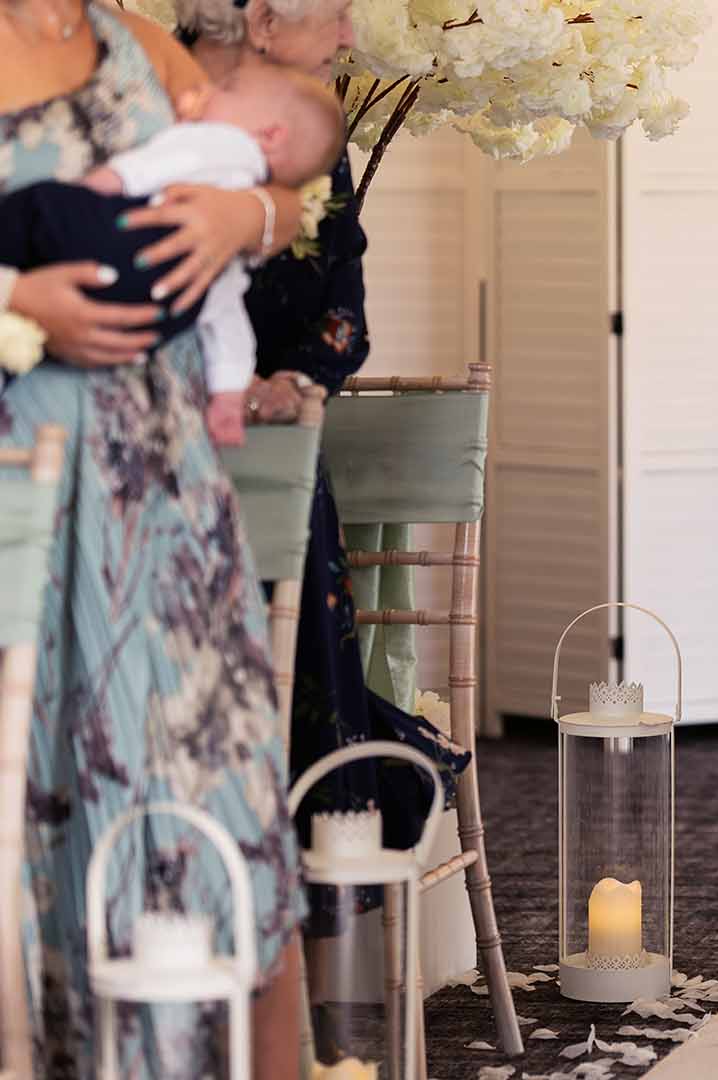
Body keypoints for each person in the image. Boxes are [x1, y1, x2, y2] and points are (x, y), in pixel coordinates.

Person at [0, 0, 310, 1075]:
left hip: (171, 497)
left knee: (224, 795)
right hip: (19, 497)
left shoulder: (138, 39)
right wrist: (17, 297)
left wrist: (247, 221)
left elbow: (276, 183)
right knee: (34, 804)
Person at [169, 0, 470, 947]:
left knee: (298, 662)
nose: (348, 34)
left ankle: (284, 927)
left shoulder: (314, 123)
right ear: (260, 20)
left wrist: (297, 377)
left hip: (281, 446)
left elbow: (345, 295)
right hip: (156, 438)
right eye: (336, 14)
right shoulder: (147, 102)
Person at [0, 61, 346, 446]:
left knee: (36, 210)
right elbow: (228, 319)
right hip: (156, 310)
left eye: (225, 91)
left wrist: (95, 186)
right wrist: (229, 396)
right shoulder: (231, 229)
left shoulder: (221, 142)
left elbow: (154, 165)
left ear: (270, 134)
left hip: (122, 240)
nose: (202, 93)